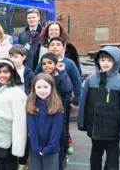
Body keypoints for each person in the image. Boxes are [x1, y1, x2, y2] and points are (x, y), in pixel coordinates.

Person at [78, 47, 120, 170]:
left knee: (112, 160)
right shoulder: (91, 80)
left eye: (110, 60)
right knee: (95, 157)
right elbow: (84, 103)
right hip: (95, 130)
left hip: (113, 132)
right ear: (98, 61)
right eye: (103, 59)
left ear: (116, 62)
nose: (106, 63)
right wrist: (82, 123)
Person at [35, 36, 82, 168]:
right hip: (44, 109)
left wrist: (76, 100)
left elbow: (72, 85)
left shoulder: (66, 68)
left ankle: (61, 159)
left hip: (61, 109)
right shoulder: (41, 69)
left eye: (58, 44)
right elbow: (34, 81)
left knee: (61, 134)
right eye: (52, 44)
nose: (46, 66)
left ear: (64, 47)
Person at [0, 59, 27, 170]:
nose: (2, 75)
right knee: (2, 163)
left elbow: (20, 123)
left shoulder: (17, 93)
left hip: (9, 139)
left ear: (12, 73)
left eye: (5, 72)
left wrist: (18, 146)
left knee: (9, 165)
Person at [40, 52, 72, 170]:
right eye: (44, 64)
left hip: (59, 115)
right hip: (45, 115)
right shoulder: (41, 78)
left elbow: (67, 88)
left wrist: (62, 72)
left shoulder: (61, 76)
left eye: (50, 63)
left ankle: (61, 160)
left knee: (60, 138)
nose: (47, 66)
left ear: (56, 64)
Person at [26, 73, 64, 170]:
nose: (42, 90)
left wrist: (49, 147)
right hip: (35, 149)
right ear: (34, 88)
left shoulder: (56, 104)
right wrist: (35, 147)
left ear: (51, 87)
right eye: (38, 87)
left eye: (45, 87)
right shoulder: (31, 103)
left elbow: (56, 130)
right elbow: (31, 128)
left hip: (52, 148)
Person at [8, 45, 35, 170]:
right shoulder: (8, 72)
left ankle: (23, 162)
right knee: (13, 134)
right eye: (11, 57)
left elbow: (32, 90)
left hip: (25, 107)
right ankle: (13, 159)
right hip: (12, 108)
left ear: (23, 57)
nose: (13, 59)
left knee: (24, 134)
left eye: (16, 57)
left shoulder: (29, 73)